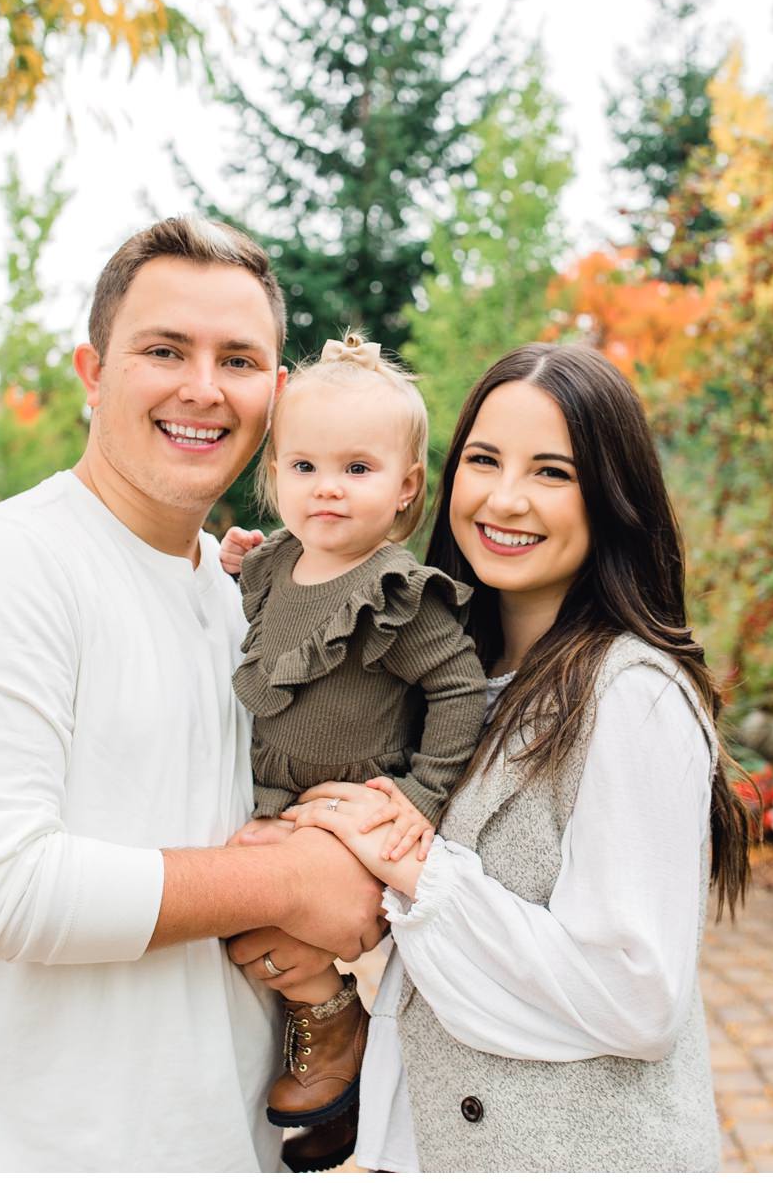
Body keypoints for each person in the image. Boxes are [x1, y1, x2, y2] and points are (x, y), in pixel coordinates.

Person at [0, 217, 388, 1172]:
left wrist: (317, 927)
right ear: (93, 372)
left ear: (275, 396)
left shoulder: (244, 608)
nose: (201, 386)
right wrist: (290, 881)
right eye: (163, 350)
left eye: (237, 359)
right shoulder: (1, 564)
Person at [231, 342, 754, 1171]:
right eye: (484, 460)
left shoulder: (632, 695)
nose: (505, 499)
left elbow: (639, 999)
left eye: (553, 472)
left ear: (612, 497)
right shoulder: (462, 677)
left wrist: (417, 870)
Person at [215, 332, 488, 1169]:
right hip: (272, 798)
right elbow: (253, 622)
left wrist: (424, 793)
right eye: (303, 469)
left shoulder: (394, 593)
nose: (327, 488)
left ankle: (334, 1025)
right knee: (241, 923)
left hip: (346, 813)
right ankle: (341, 1063)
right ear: (275, 476)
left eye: (357, 470)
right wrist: (233, 564)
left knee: (268, 932)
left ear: (406, 488)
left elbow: (459, 687)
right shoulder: (275, 567)